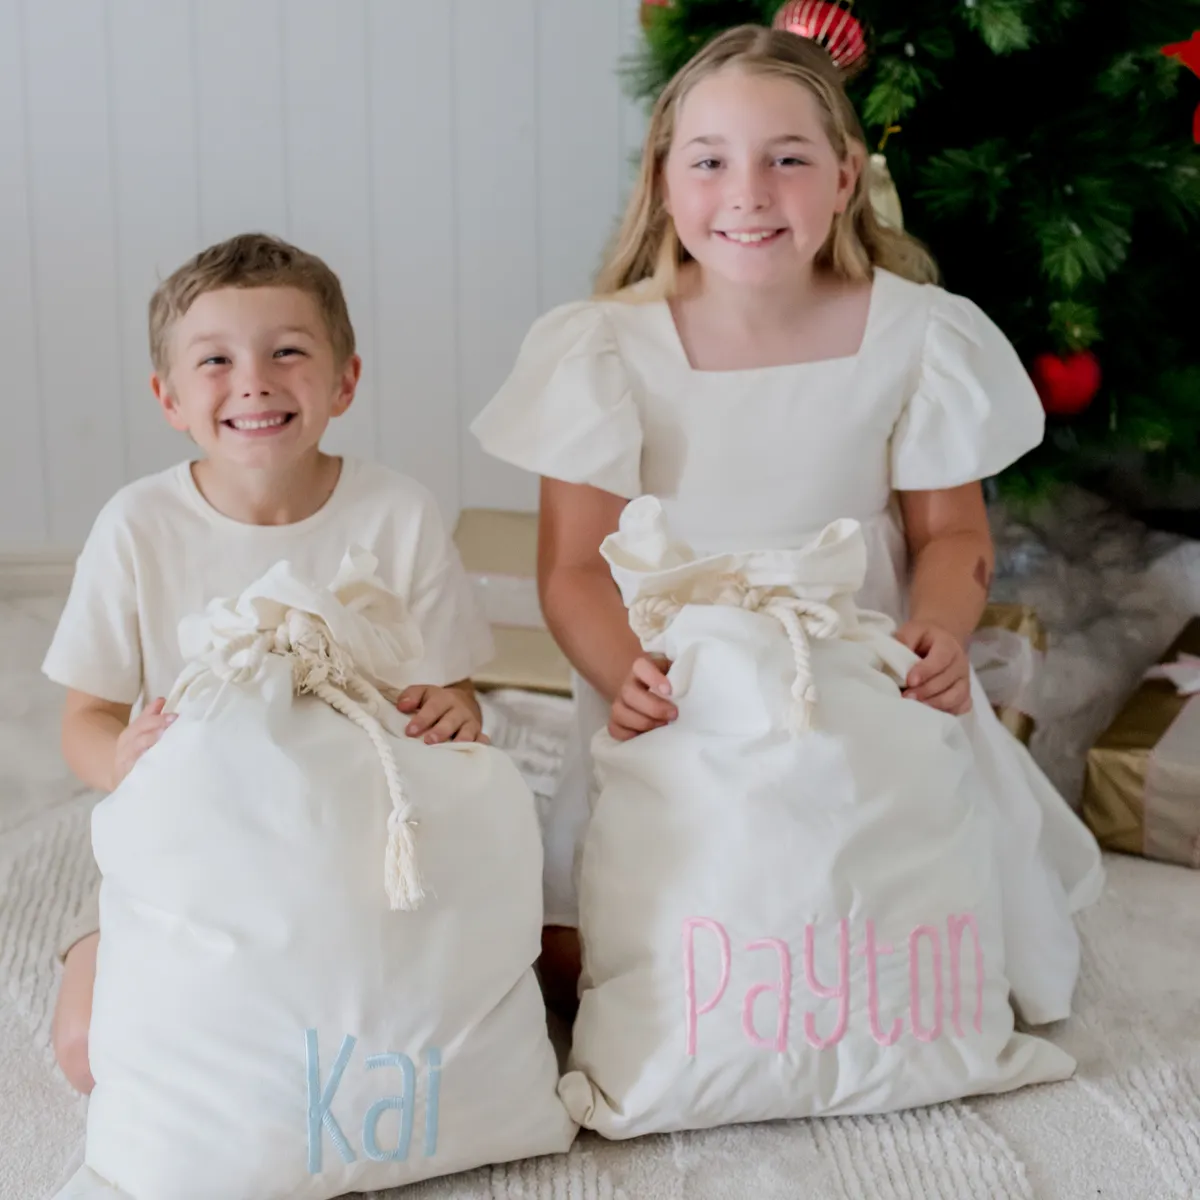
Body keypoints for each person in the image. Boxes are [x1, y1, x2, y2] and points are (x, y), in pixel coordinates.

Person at [471, 25, 1104, 1021]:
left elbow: (952, 539)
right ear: (665, 179)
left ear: (846, 176)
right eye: (712, 161)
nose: (750, 194)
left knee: (908, 936)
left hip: (860, 686)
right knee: (592, 957)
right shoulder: (605, 347)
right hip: (685, 694)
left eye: (789, 160)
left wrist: (936, 632)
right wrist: (623, 677)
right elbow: (572, 571)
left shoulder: (915, 334)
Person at [44, 233, 493, 1093]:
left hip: (350, 845)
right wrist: (122, 759)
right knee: (88, 1051)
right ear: (168, 397)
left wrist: (452, 712)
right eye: (214, 360)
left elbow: (452, 691)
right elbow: (82, 720)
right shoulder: (137, 526)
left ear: (344, 381)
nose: (253, 380)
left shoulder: (396, 512)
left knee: (391, 1038)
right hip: (188, 844)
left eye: (288, 351)